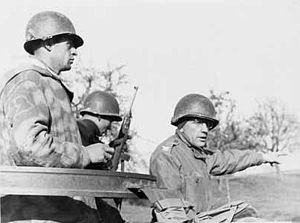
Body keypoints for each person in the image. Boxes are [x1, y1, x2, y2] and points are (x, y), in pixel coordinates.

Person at [0, 11, 114, 223]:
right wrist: (85, 155)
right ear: (49, 44)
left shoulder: (45, 82)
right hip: (33, 213)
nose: (75, 52)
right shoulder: (28, 80)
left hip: (53, 211)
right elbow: (29, 147)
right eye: (69, 44)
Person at [149, 93, 281, 222]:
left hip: (203, 218)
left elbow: (230, 159)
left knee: (247, 215)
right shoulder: (167, 156)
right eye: (198, 122)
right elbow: (171, 213)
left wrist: (263, 157)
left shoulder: (199, 155)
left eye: (208, 124)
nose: (205, 130)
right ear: (181, 124)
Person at [77, 90, 126, 223]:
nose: (109, 127)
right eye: (109, 120)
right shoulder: (83, 130)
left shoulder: (78, 131)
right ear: (99, 116)